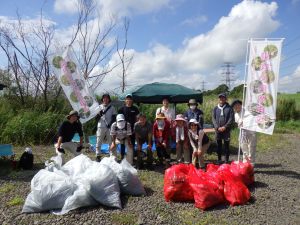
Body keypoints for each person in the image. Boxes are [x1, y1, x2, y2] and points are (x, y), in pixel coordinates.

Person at [232, 99, 257, 166]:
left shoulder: (247, 110)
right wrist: (240, 124)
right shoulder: (236, 115)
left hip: (251, 131)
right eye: (235, 106)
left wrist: (245, 121)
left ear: (241, 105)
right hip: (242, 132)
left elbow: (254, 115)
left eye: (238, 105)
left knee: (251, 148)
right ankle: (245, 163)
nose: (237, 107)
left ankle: (251, 164)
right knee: (243, 148)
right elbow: (238, 123)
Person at [212, 93, 234, 164]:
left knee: (226, 146)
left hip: (226, 130)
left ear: (226, 99)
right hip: (218, 130)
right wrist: (217, 127)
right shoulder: (215, 108)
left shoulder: (229, 108)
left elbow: (231, 119)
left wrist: (225, 126)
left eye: (223, 98)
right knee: (219, 146)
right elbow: (213, 118)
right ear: (218, 99)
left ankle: (226, 160)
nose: (221, 99)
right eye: (220, 98)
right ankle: (219, 159)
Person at [95, 93, 116, 162]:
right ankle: (98, 155)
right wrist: (99, 114)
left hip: (109, 127)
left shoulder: (112, 107)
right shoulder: (99, 107)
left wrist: (110, 124)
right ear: (102, 99)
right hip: (101, 126)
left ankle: (111, 155)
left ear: (109, 99)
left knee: (111, 141)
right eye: (104, 98)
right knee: (99, 141)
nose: (105, 99)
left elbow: (114, 117)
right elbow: (96, 119)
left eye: (107, 98)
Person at [118, 94, 139, 159]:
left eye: (130, 99)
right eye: (127, 99)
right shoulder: (121, 109)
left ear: (132, 100)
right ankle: (122, 157)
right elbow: (118, 119)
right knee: (123, 144)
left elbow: (137, 118)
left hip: (132, 129)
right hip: (123, 129)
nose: (129, 100)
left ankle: (131, 158)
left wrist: (135, 128)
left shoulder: (135, 108)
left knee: (132, 143)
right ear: (125, 100)